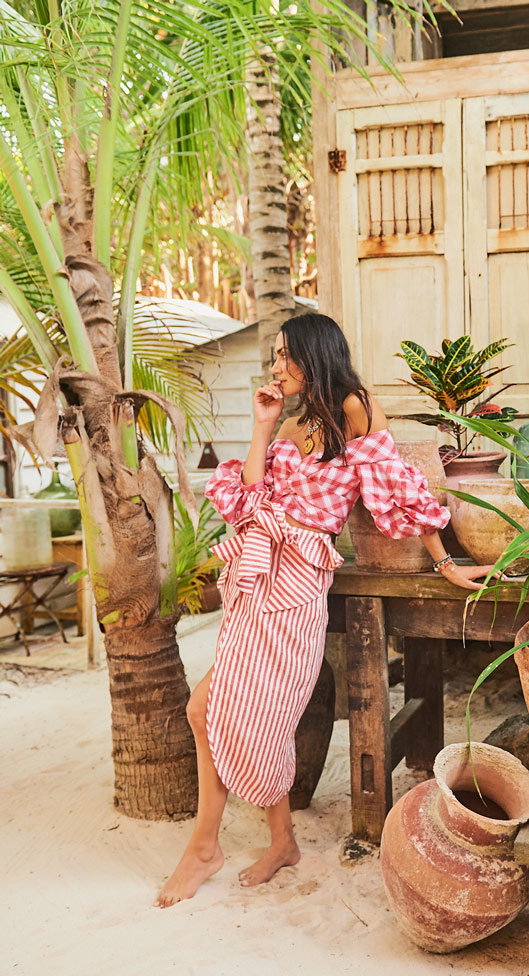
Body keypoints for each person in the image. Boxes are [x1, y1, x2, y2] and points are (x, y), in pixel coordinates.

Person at [155, 313, 494, 907]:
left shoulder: (354, 406)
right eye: (276, 356)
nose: (277, 366)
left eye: (287, 355)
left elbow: (396, 485)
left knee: (238, 711)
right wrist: (261, 426)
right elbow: (252, 497)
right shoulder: (290, 422)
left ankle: (214, 845)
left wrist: (445, 564)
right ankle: (267, 841)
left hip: (296, 585)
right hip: (255, 576)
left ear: (316, 354)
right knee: (218, 710)